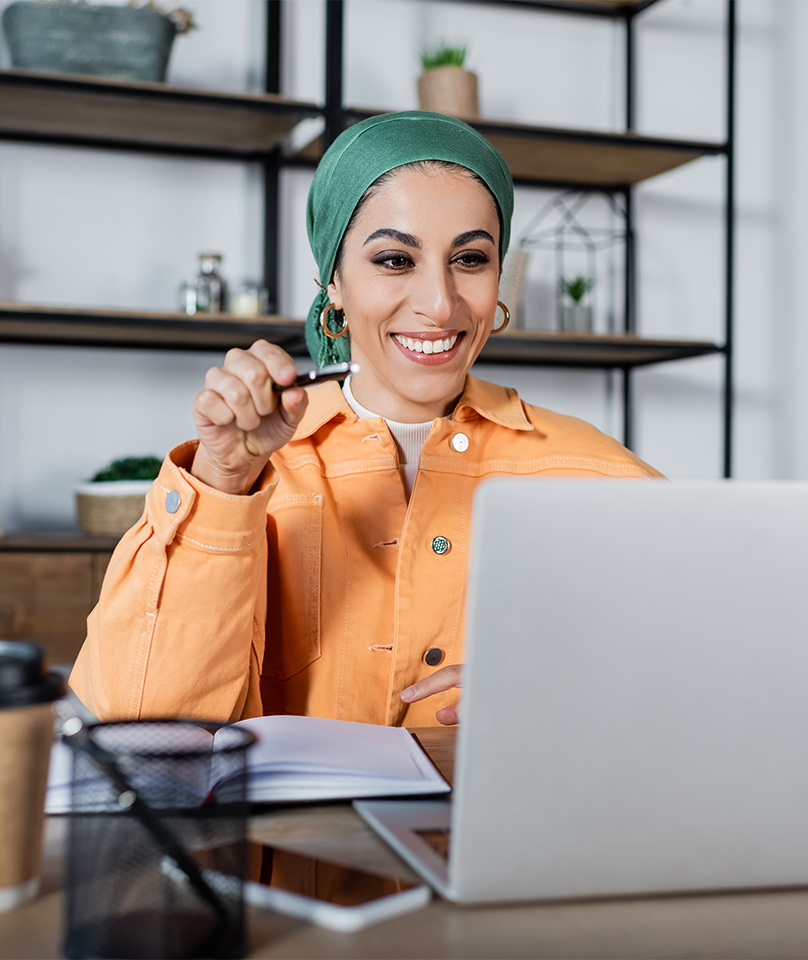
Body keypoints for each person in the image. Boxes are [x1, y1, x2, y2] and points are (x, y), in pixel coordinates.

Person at [70, 111, 663, 728]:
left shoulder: (604, 478)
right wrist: (224, 479)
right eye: (394, 261)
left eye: (470, 259)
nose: (439, 304)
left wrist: (571, 690)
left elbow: (714, 693)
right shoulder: (245, 471)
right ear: (334, 282)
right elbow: (146, 728)